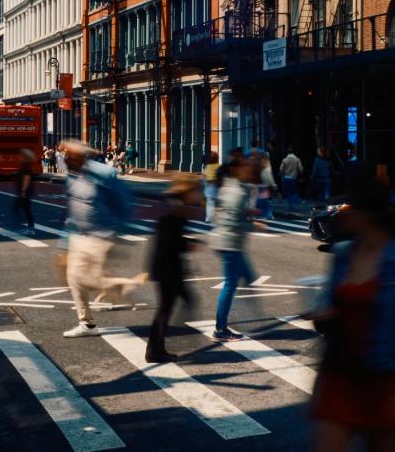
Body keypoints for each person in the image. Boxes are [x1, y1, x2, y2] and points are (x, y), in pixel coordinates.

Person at [307, 179, 395, 451]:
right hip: (339, 372)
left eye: (351, 207)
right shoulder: (342, 254)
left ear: (367, 214)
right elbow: (328, 307)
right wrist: (321, 314)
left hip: (382, 378)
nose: (344, 213)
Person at [60, 141, 137, 337]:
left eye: (69, 155)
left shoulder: (104, 174)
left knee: (86, 278)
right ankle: (87, 323)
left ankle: (122, 286)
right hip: (79, 235)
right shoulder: (72, 175)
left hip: (100, 235)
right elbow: (73, 208)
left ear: (80, 157)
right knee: (73, 279)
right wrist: (66, 241)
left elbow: (125, 203)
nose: (65, 159)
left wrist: (116, 231)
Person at [145, 178, 201, 363]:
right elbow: (169, 240)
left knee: (167, 308)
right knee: (167, 308)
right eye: (195, 191)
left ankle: (157, 348)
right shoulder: (175, 208)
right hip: (167, 268)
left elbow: (171, 237)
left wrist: (187, 243)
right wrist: (188, 244)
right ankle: (156, 349)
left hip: (166, 266)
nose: (198, 195)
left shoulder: (176, 205)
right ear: (187, 191)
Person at [211, 153, 265, 341]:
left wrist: (247, 212)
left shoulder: (232, 186)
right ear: (238, 170)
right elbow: (233, 222)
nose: (250, 173)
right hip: (230, 243)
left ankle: (242, 318)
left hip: (228, 242)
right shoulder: (237, 191)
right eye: (247, 169)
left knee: (247, 279)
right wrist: (253, 224)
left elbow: (226, 213)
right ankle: (220, 328)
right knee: (230, 285)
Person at [14, 148, 37, 235]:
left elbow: (26, 179)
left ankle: (30, 229)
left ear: (25, 157)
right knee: (20, 208)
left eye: (21, 155)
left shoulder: (26, 166)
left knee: (26, 210)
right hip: (25, 191)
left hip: (25, 192)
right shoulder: (26, 165)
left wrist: (23, 191)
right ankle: (25, 226)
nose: (19, 157)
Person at [202, 152, 220, 224]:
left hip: (209, 187)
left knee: (209, 203)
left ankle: (208, 218)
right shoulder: (219, 166)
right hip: (217, 186)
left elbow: (204, 179)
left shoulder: (207, 167)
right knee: (219, 203)